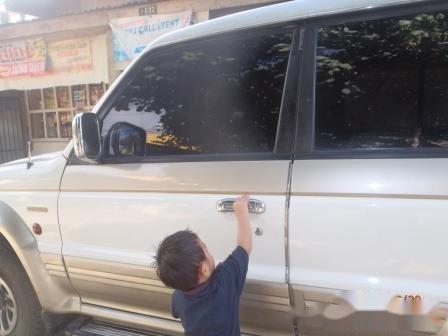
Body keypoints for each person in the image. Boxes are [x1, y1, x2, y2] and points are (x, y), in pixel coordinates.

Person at [154, 196, 252, 336]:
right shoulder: (224, 282)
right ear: (204, 270)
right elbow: (244, 246)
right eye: (205, 248)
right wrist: (242, 214)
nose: (208, 250)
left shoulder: (179, 297)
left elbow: (175, 313)